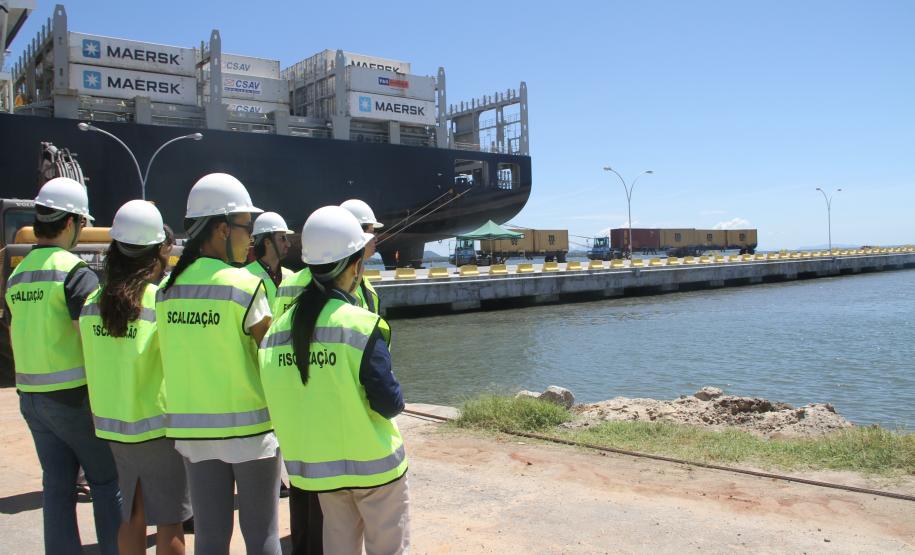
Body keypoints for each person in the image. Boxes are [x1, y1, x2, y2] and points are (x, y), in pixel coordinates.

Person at [260, 206, 409, 555]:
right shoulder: (359, 324)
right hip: (375, 470)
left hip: (320, 470)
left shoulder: (276, 331)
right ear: (355, 265)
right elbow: (389, 403)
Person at [156, 173, 281, 555]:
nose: (252, 239)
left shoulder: (166, 291)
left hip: (193, 434)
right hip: (250, 432)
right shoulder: (242, 286)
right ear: (223, 229)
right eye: (247, 228)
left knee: (209, 538)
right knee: (261, 536)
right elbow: (271, 358)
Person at [6, 177, 121, 554]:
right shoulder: (74, 273)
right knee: (106, 482)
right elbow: (92, 335)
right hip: (73, 398)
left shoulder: (17, 274)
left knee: (56, 485)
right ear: (71, 223)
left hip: (31, 399)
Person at [79, 200, 191, 555]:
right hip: (157, 427)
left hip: (113, 427)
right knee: (170, 521)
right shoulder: (160, 301)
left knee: (132, 516)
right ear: (158, 250)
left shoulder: (92, 301)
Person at [340, 199, 382, 314]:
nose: (375, 239)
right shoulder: (342, 282)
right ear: (357, 233)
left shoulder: (361, 280)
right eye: (372, 232)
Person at [245, 212, 294, 308]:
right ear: (267, 242)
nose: (288, 244)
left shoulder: (290, 276)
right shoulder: (245, 275)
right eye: (282, 238)